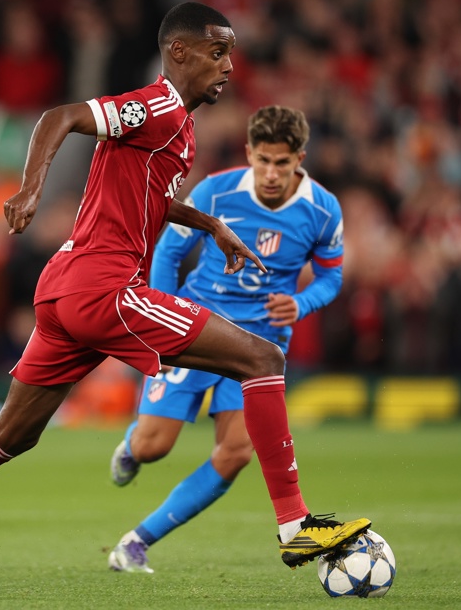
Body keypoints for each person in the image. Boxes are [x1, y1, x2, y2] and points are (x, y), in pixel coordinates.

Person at [0, 2, 370, 593]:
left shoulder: (179, 127)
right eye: (217, 52)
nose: (229, 66)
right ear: (179, 52)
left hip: (64, 289)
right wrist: (30, 190)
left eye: (230, 53)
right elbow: (59, 116)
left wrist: (210, 225)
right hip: (103, 288)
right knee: (263, 358)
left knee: (11, 434)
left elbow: (147, 198)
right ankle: (295, 526)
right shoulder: (155, 106)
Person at [107, 105, 348, 573]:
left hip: (259, 344)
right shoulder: (215, 192)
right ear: (249, 153)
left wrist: (302, 304)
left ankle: (137, 542)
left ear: (299, 158)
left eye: (282, 163)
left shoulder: (323, 209)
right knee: (154, 447)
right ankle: (133, 445)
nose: (271, 173)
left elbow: (331, 277)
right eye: (263, 160)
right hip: (196, 327)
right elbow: (168, 252)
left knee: (236, 452)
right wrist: (162, 323)